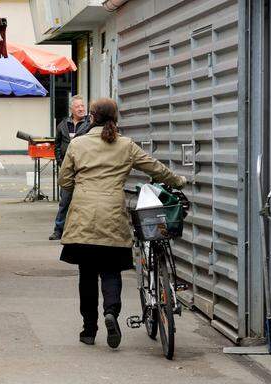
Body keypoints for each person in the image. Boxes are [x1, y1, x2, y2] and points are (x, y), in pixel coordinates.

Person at [58, 98, 186, 348]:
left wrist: (81, 186)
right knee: (110, 270)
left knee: (87, 274)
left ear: (91, 118)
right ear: (115, 119)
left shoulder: (77, 144)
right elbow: (155, 168)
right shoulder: (125, 145)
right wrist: (178, 180)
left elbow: (65, 181)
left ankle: (89, 330)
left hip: (82, 217)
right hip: (112, 216)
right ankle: (111, 313)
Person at [49, 95, 88, 240]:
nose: (81, 109)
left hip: (84, 168)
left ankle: (80, 231)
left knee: (84, 202)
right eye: (78, 106)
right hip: (67, 169)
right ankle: (58, 230)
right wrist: (60, 161)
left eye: (82, 106)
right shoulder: (63, 124)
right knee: (64, 200)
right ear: (71, 109)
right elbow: (57, 144)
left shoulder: (89, 124)